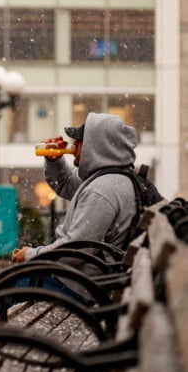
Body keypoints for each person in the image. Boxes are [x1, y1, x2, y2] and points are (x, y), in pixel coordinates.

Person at [13, 111, 139, 267]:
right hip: (82, 277)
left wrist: (31, 255)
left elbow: (75, 252)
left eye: (78, 142)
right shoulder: (111, 178)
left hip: (79, 282)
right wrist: (55, 161)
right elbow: (65, 182)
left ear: (95, 147)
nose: (73, 146)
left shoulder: (101, 190)